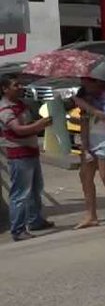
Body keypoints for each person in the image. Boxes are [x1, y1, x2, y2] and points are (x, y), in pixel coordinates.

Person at [1, 75, 54, 241]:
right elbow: (18, 130)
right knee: (20, 194)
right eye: (15, 85)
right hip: (19, 155)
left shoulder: (20, 105)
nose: (20, 87)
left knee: (35, 188)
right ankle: (18, 229)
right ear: (5, 89)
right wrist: (39, 125)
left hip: (30, 152)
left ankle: (35, 220)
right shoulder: (5, 110)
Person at [72, 78, 105, 229]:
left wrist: (87, 107)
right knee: (85, 178)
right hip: (90, 143)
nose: (85, 86)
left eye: (88, 83)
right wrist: (84, 146)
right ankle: (91, 215)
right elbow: (84, 123)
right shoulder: (85, 98)